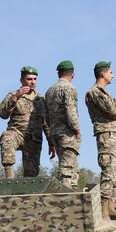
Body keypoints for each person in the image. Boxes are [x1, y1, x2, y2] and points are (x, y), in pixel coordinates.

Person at [85, 61, 116, 220]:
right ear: (103, 73)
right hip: (106, 135)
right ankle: (103, 210)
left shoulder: (106, 94)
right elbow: (113, 110)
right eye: (110, 72)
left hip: (115, 135)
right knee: (108, 170)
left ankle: (110, 207)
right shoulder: (94, 93)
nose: (113, 75)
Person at [0, 67, 55, 179]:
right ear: (22, 81)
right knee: (7, 137)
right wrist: (15, 98)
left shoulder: (41, 99)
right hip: (16, 133)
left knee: (32, 174)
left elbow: (46, 123)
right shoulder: (13, 95)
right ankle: (10, 180)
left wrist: (51, 142)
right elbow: (2, 114)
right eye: (29, 79)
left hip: (34, 139)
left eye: (35, 79)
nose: (32, 82)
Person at [45, 60, 81, 189]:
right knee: (67, 170)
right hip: (67, 133)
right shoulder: (69, 88)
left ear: (58, 74)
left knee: (71, 167)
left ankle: (72, 197)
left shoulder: (49, 91)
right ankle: (65, 201)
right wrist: (77, 130)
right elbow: (71, 113)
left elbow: (47, 116)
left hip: (55, 133)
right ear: (73, 74)